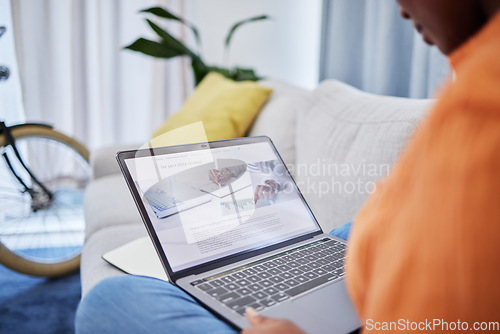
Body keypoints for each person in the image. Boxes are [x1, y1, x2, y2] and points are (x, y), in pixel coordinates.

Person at [75, 1, 500, 333]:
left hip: (387, 291)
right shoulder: (473, 76)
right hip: (382, 255)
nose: (402, 9)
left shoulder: (483, 111)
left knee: (111, 301)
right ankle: (300, 257)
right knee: (326, 237)